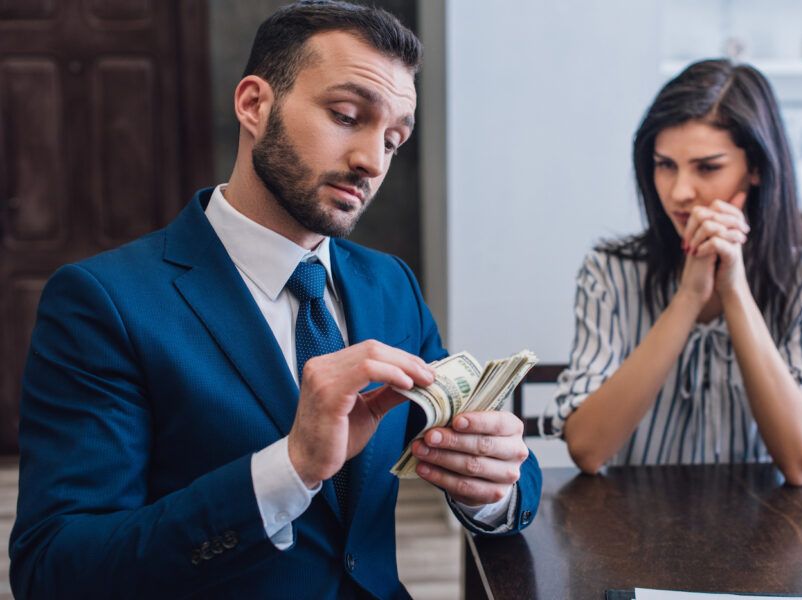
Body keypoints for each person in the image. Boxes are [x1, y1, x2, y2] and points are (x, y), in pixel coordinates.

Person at [10, 2, 541, 598]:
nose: (371, 160)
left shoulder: (390, 285)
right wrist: (288, 468)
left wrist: (493, 484)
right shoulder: (103, 302)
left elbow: (486, 456)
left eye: (393, 140)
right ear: (254, 105)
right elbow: (53, 570)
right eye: (346, 116)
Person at [544, 59, 802, 485]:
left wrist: (735, 290)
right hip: (631, 529)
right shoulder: (610, 271)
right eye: (665, 165)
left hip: (765, 532)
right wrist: (687, 298)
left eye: (707, 167)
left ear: (756, 168)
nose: (680, 192)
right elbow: (588, 450)